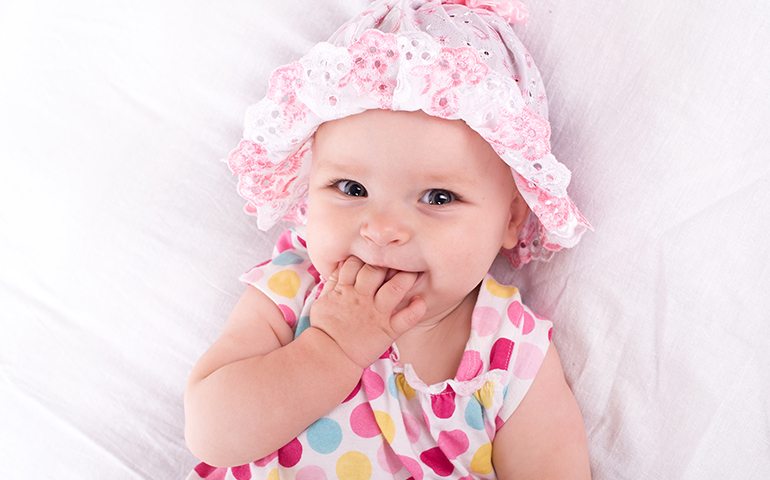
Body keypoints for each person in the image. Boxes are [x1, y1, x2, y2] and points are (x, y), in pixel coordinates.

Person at [185, 0, 592, 478]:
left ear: (512, 218)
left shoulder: (508, 353)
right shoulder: (294, 290)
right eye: (351, 188)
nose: (381, 230)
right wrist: (331, 349)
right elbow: (210, 433)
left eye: (438, 197)